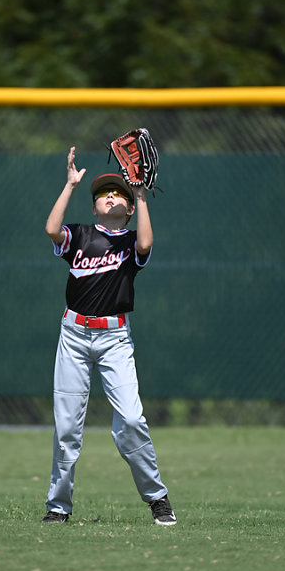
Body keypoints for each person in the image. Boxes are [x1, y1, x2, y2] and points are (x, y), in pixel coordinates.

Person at [42, 145, 176, 526]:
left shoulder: (130, 243)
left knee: (131, 421)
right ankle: (58, 506)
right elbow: (52, 229)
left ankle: (157, 497)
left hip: (115, 339)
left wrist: (141, 195)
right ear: (94, 208)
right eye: (103, 193)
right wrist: (70, 185)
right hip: (74, 335)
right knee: (67, 427)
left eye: (118, 192)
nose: (110, 196)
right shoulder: (81, 235)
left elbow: (146, 244)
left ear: (128, 208)